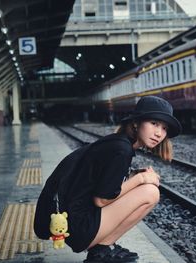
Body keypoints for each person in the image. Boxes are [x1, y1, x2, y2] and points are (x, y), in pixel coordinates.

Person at [34, 96, 182, 263]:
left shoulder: (118, 143)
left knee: (145, 187)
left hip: (71, 221)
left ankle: (102, 249)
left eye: (164, 128)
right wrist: (140, 178)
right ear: (136, 123)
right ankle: (102, 249)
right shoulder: (121, 150)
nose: (159, 133)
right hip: (78, 228)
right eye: (154, 124)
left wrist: (133, 175)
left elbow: (100, 181)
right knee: (150, 192)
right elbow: (101, 199)